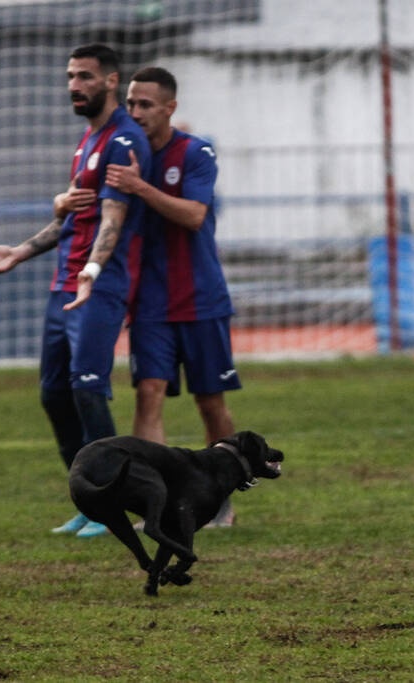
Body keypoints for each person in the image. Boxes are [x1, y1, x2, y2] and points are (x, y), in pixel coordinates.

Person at [0, 44, 151, 539]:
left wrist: (92, 269)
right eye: (71, 76)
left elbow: (113, 218)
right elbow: (73, 219)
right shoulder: (87, 140)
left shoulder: (123, 140)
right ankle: (89, 499)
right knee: (54, 396)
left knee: (88, 390)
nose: (75, 85)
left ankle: (115, 502)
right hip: (63, 285)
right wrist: (20, 251)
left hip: (99, 285)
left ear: (111, 81)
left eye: (85, 76)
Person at [105, 66, 241, 527]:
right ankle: (156, 507)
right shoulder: (125, 153)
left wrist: (140, 187)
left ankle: (221, 503)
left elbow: (194, 215)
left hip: (201, 300)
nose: (135, 111)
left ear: (170, 108)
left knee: (210, 402)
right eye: (131, 103)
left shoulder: (195, 153)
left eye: (145, 104)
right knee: (148, 394)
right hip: (150, 303)